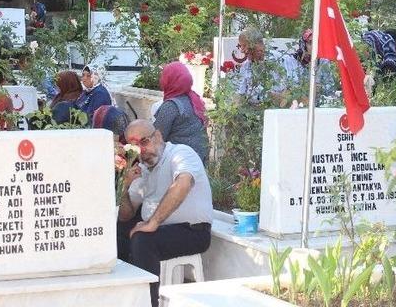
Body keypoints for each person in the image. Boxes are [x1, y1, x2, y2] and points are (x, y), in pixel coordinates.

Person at [117, 119, 213, 307]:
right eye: (134, 147)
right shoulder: (142, 170)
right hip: (161, 231)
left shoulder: (180, 153)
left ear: (158, 136)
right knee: (118, 230)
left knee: (143, 240)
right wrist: (124, 185)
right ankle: (121, 297)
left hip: (193, 231)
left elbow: (183, 182)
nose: (141, 151)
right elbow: (125, 215)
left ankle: (147, 303)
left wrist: (153, 222)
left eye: (144, 142)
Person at [154, 62, 210, 164]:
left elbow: (157, 137)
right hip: (200, 158)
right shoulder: (193, 99)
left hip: (182, 162)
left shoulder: (171, 106)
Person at [234, 27, 300, 104]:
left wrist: (279, 99)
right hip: (253, 112)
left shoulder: (282, 60)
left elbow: (294, 87)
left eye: (244, 46)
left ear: (256, 45)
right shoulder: (245, 66)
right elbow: (239, 95)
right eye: (241, 46)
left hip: (278, 111)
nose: (241, 50)